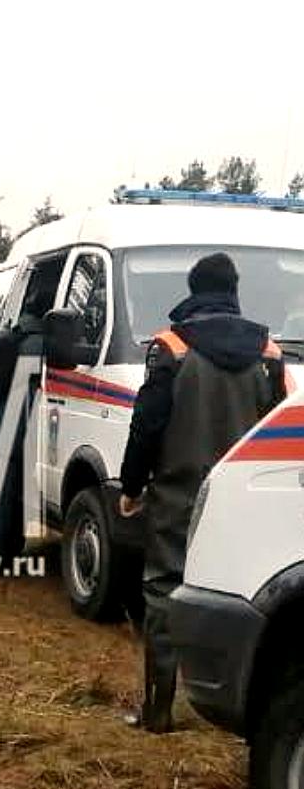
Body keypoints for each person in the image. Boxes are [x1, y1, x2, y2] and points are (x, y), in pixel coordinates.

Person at [119, 252, 287, 732]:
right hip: (247, 500)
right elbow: (283, 425)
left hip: (178, 493)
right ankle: (248, 716)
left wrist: (131, 487)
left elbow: (147, 425)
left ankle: (157, 711)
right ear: (233, 293)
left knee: (163, 591)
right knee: (245, 598)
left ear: (193, 292)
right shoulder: (270, 353)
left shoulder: (171, 347)